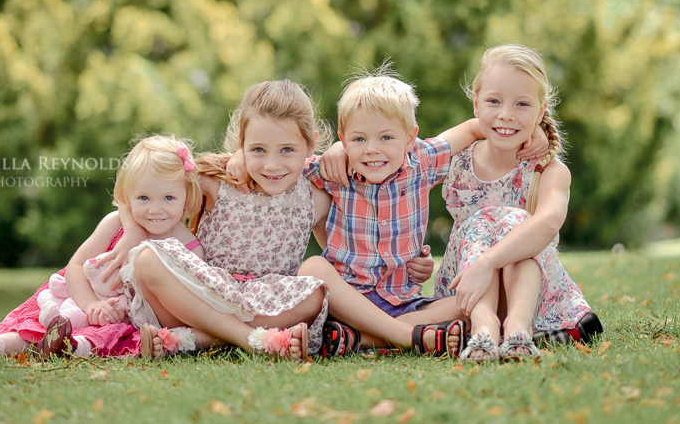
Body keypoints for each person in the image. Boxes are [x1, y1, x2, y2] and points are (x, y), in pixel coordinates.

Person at [229, 64, 548, 358]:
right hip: (347, 301)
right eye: (358, 139)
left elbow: (473, 128)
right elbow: (283, 157)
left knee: (473, 303)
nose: (372, 149)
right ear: (343, 140)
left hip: (404, 300)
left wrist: (534, 130)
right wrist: (240, 156)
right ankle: (406, 336)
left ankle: (363, 339)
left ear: (410, 139)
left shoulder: (422, 161)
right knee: (313, 268)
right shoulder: (333, 169)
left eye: (386, 137)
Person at [101, 80, 332, 361]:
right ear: (242, 145)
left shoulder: (316, 198)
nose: (272, 165)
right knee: (146, 259)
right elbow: (133, 192)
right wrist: (132, 233)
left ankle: (194, 339)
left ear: (310, 145)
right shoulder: (216, 181)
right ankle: (252, 339)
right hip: (200, 294)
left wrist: (339, 152)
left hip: (266, 301)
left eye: (286, 150)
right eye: (258, 150)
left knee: (317, 294)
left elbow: (336, 249)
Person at [0, 134, 203, 358]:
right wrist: (91, 305)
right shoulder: (115, 223)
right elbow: (76, 266)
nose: (155, 209)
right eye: (143, 198)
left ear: (187, 194)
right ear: (128, 195)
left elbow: (184, 306)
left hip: (126, 321)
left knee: (104, 336)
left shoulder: (190, 249)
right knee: (42, 324)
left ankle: (66, 347)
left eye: (168, 198)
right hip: (82, 300)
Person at [432, 44, 597, 362]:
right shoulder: (457, 161)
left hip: (530, 297)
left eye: (522, 104)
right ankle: (484, 328)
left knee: (516, 222)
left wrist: (487, 263)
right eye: (493, 101)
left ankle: (518, 329)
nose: (506, 114)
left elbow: (548, 223)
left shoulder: (549, 170)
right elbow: (408, 160)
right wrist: (339, 149)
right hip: (470, 292)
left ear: (540, 110)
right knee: (481, 221)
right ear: (475, 103)